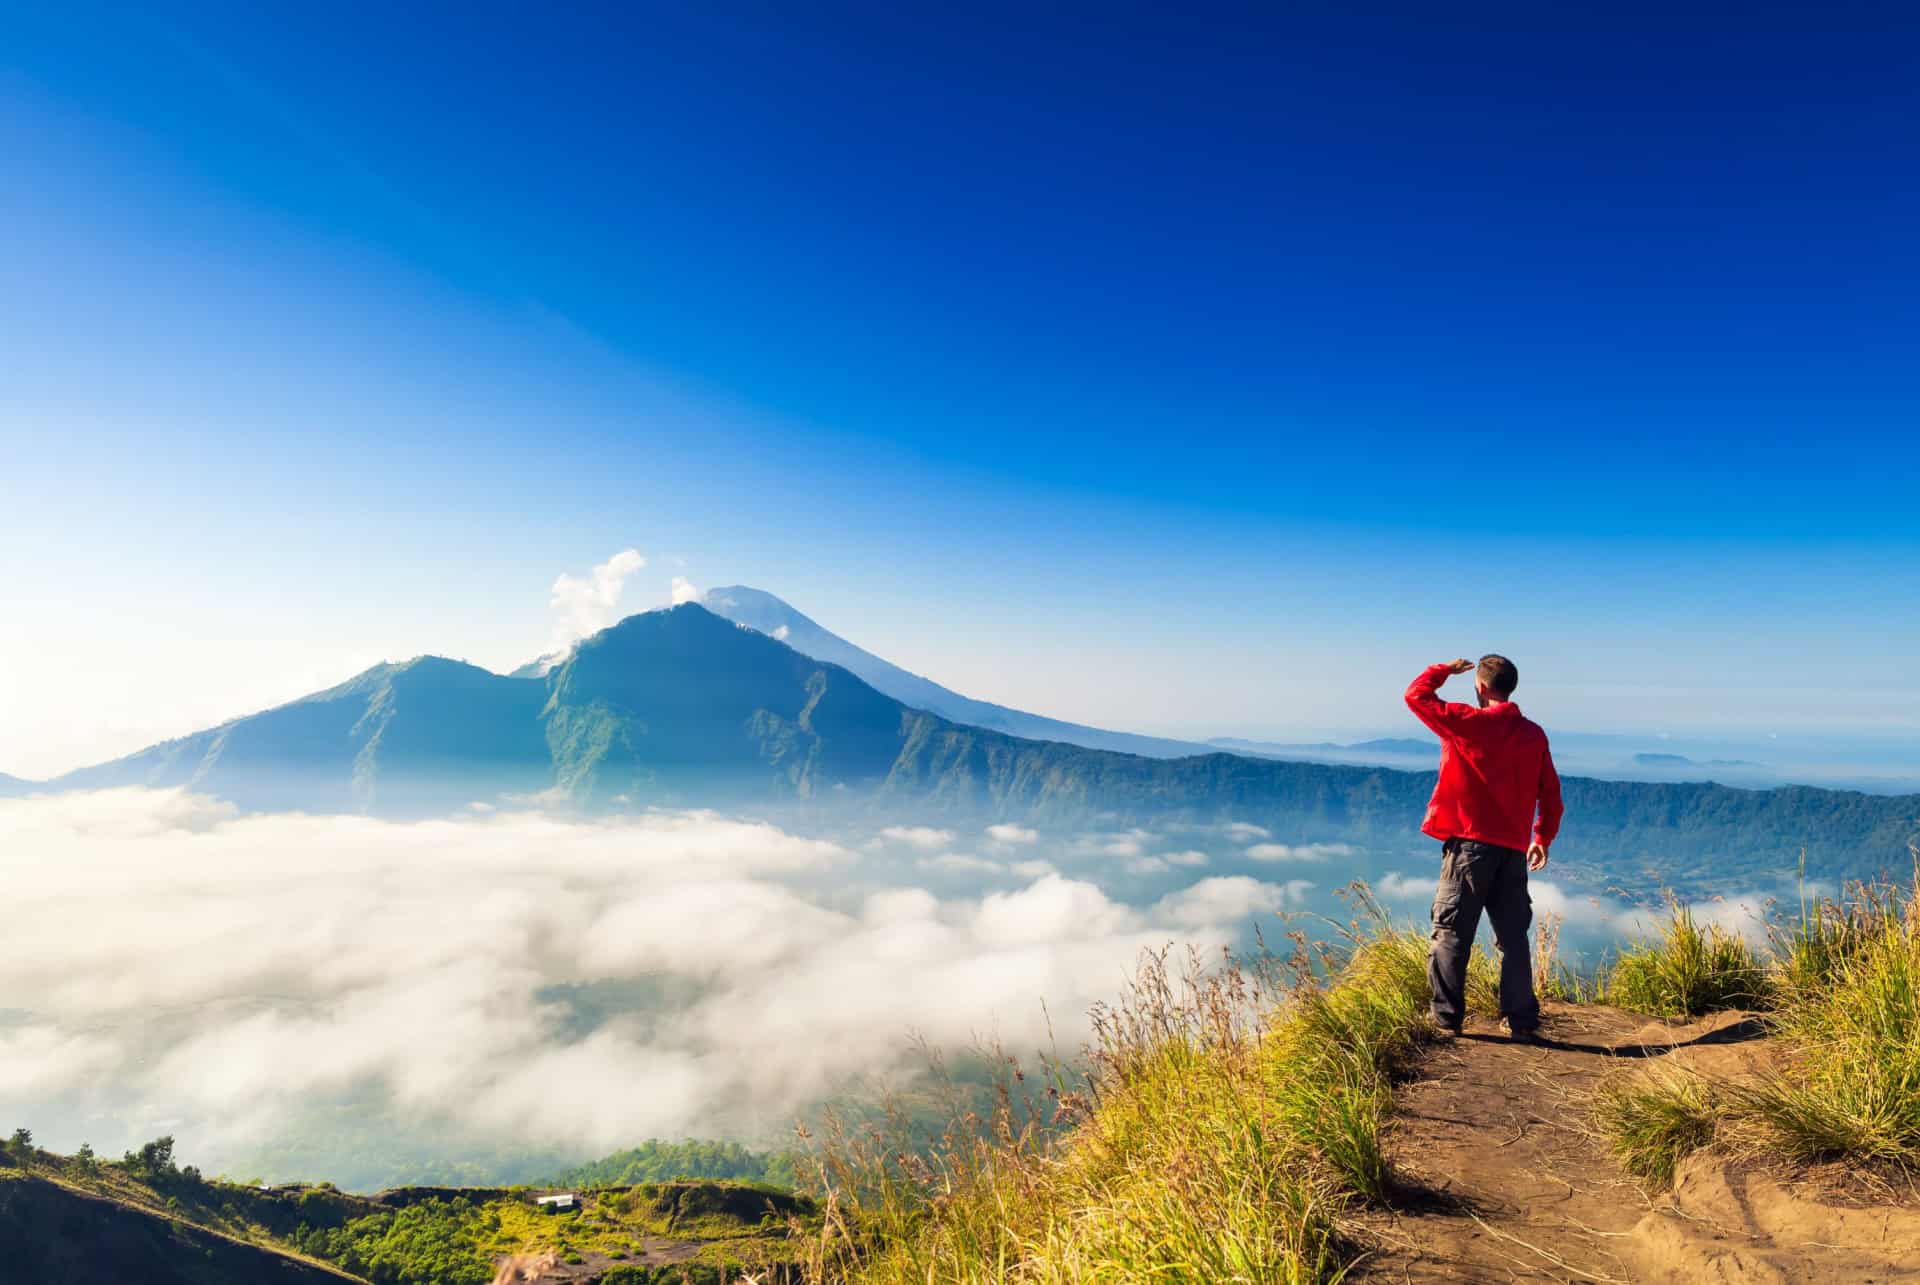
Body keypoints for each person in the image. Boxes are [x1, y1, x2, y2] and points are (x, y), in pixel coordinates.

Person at [1405, 655, 1563, 1041]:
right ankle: (1520, 1021)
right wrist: (1541, 838)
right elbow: (1552, 795)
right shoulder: (1533, 735)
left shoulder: (1467, 723)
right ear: (1511, 687)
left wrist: (1442, 670)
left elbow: (1416, 696)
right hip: (1512, 853)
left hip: (1469, 850)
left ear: (1480, 687)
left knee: (1451, 933)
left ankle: (1446, 1021)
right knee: (1512, 939)